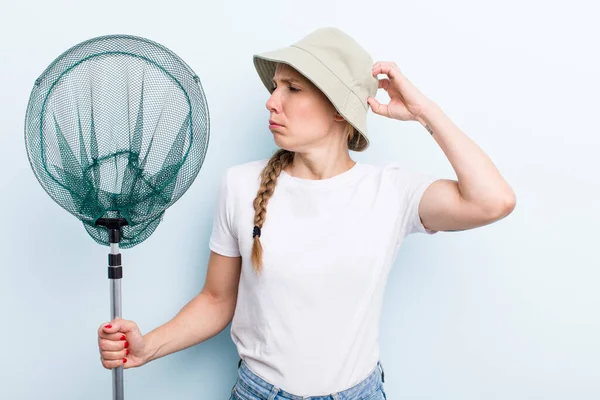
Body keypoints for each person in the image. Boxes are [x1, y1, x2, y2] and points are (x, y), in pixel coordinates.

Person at [97, 27, 516, 399]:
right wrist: (148, 346)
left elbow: (492, 201)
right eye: (275, 87)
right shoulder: (240, 185)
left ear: (339, 108)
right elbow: (216, 299)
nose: (272, 102)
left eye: (293, 89)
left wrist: (424, 111)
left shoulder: (390, 191)